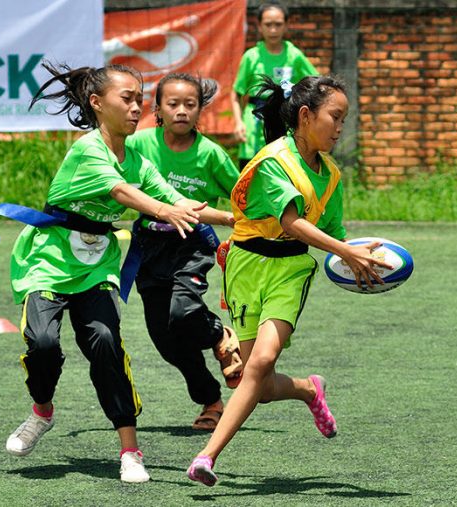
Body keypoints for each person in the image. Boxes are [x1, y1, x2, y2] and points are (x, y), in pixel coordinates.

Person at [4, 62, 220, 483]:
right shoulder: (87, 149)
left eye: (140, 99)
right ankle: (41, 412)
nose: (137, 107)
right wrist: (162, 209)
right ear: (97, 103)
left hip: (96, 261)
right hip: (48, 260)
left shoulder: (137, 157)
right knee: (44, 343)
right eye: (127, 99)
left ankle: (130, 451)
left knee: (104, 342)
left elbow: (181, 202)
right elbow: (123, 192)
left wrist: (245, 219)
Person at [186, 74, 392, 486]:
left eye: (343, 120)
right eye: (335, 117)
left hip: (290, 269)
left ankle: (207, 457)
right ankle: (308, 389)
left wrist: (357, 258)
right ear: (305, 115)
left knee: (260, 362)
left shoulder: (331, 176)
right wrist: (344, 251)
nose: (340, 127)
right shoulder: (272, 162)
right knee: (257, 385)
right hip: (245, 266)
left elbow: (329, 234)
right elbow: (291, 221)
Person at [126, 73, 241, 431]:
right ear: (157, 108)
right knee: (165, 339)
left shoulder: (210, 154)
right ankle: (211, 400)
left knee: (184, 310)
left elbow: (244, 199)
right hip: (148, 246)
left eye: (189, 105)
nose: (181, 111)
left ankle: (219, 335)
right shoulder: (139, 144)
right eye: (172, 104)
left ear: (199, 109)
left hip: (192, 244)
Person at [231, 0, 318, 169]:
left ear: (286, 25)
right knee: (250, 173)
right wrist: (238, 122)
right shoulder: (251, 56)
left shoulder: (294, 55)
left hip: (285, 119)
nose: (273, 30)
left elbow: (314, 85)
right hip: (255, 121)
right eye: (268, 24)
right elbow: (236, 93)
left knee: (285, 169)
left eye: (278, 24)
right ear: (259, 26)